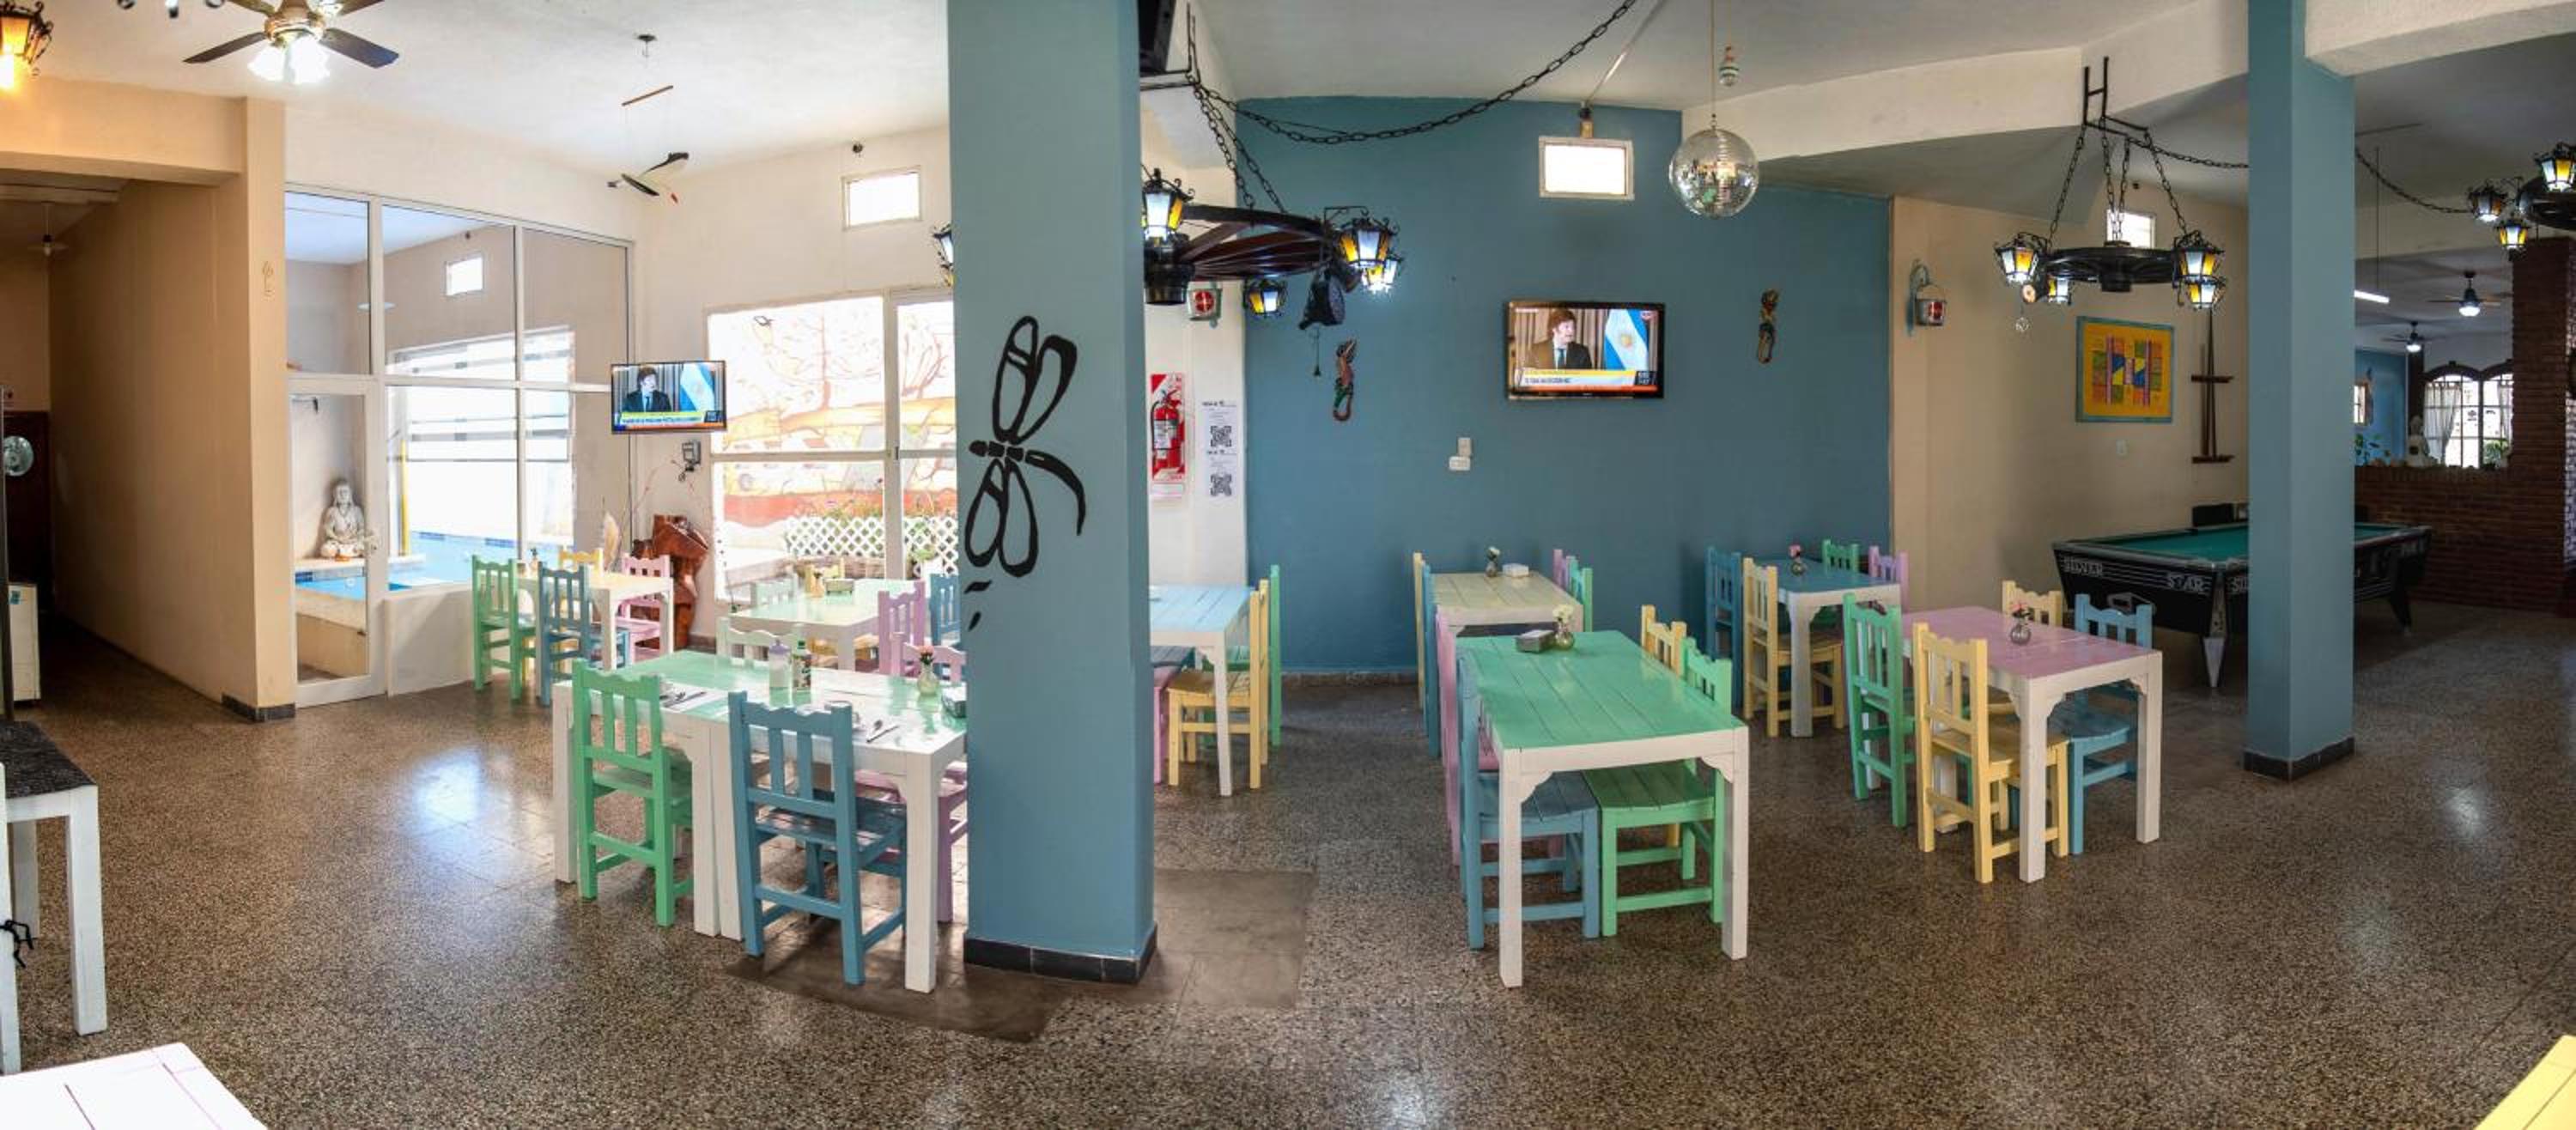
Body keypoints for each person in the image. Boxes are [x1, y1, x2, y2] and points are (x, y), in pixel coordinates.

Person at [1521, 307, 1594, 369]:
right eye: (1567, 327)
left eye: (1573, 327)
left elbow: (1588, 380)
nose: (1571, 331)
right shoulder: (1536, 350)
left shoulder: (1582, 352)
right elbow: (1527, 378)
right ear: (1554, 329)